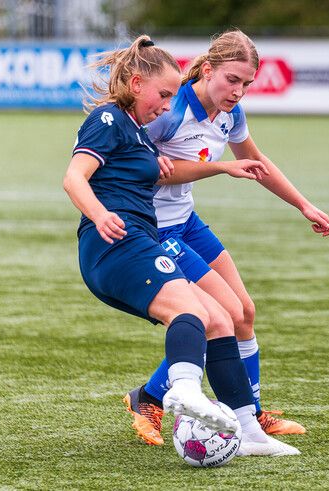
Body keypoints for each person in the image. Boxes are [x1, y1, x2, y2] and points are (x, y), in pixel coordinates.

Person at [63, 35, 298, 457]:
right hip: (125, 241)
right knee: (194, 312)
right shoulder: (112, 120)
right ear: (137, 84)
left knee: (224, 316)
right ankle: (175, 393)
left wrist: (304, 205)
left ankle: (247, 428)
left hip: (153, 233)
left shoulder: (138, 129)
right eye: (163, 95)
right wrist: (100, 214)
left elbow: (145, 162)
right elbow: (74, 177)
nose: (168, 105)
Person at [123, 30, 329, 447]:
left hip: (187, 222)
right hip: (155, 228)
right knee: (220, 317)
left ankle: (245, 413)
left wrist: (303, 205)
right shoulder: (169, 111)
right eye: (232, 80)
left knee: (245, 313)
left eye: (247, 84)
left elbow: (255, 162)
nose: (238, 92)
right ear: (207, 70)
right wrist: (218, 170)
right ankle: (152, 398)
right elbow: (145, 169)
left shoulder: (229, 114)